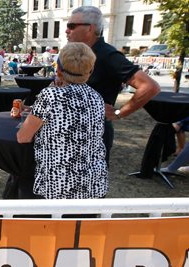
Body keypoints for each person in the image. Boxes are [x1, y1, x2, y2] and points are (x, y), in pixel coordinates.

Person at [66, 5, 160, 164]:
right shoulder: (79, 53)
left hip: (92, 135)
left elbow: (150, 86)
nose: (67, 30)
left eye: (72, 26)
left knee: (87, 186)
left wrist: (119, 113)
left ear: (90, 29)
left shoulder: (107, 55)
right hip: (70, 132)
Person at [17, 42, 108, 199]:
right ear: (90, 70)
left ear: (58, 70)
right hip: (93, 184)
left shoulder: (50, 96)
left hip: (58, 186)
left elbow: (23, 137)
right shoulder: (97, 97)